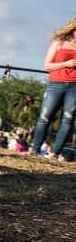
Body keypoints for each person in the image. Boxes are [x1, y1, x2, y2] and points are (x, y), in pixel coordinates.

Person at [29, 18, 76, 160]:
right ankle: (35, 149)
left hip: (74, 86)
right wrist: (66, 63)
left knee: (68, 119)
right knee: (44, 117)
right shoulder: (59, 43)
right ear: (73, 30)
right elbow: (47, 66)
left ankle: (55, 153)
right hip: (56, 84)